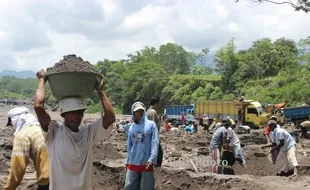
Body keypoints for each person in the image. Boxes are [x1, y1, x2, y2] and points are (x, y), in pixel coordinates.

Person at [33, 70, 116, 190]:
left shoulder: (88, 132)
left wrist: (101, 91)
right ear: (64, 114)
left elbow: (110, 118)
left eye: (80, 112)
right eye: (73, 112)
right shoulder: (53, 132)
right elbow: (38, 106)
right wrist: (42, 80)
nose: (78, 116)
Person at [4, 107, 50, 190]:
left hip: (49, 182)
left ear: (16, 120)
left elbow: (17, 168)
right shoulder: (43, 128)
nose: (12, 127)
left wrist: (8, 188)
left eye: (11, 124)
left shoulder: (22, 136)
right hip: (67, 176)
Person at [125, 102, 159, 190]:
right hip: (133, 161)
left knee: (146, 186)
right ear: (133, 112)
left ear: (143, 111)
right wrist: (127, 161)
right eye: (137, 111)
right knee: (130, 187)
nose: (139, 113)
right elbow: (129, 145)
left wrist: (152, 158)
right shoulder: (132, 127)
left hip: (146, 162)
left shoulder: (151, 125)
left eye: (141, 111)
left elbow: (155, 142)